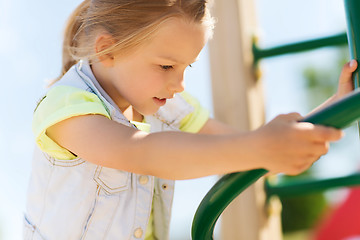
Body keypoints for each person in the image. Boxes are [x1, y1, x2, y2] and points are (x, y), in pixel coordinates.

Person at [23, 0, 358, 239]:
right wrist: (258, 147)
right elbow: (143, 153)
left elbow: (239, 149)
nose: (179, 84)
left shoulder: (166, 104)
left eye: (187, 68)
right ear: (107, 50)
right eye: (167, 66)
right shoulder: (67, 106)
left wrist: (329, 116)